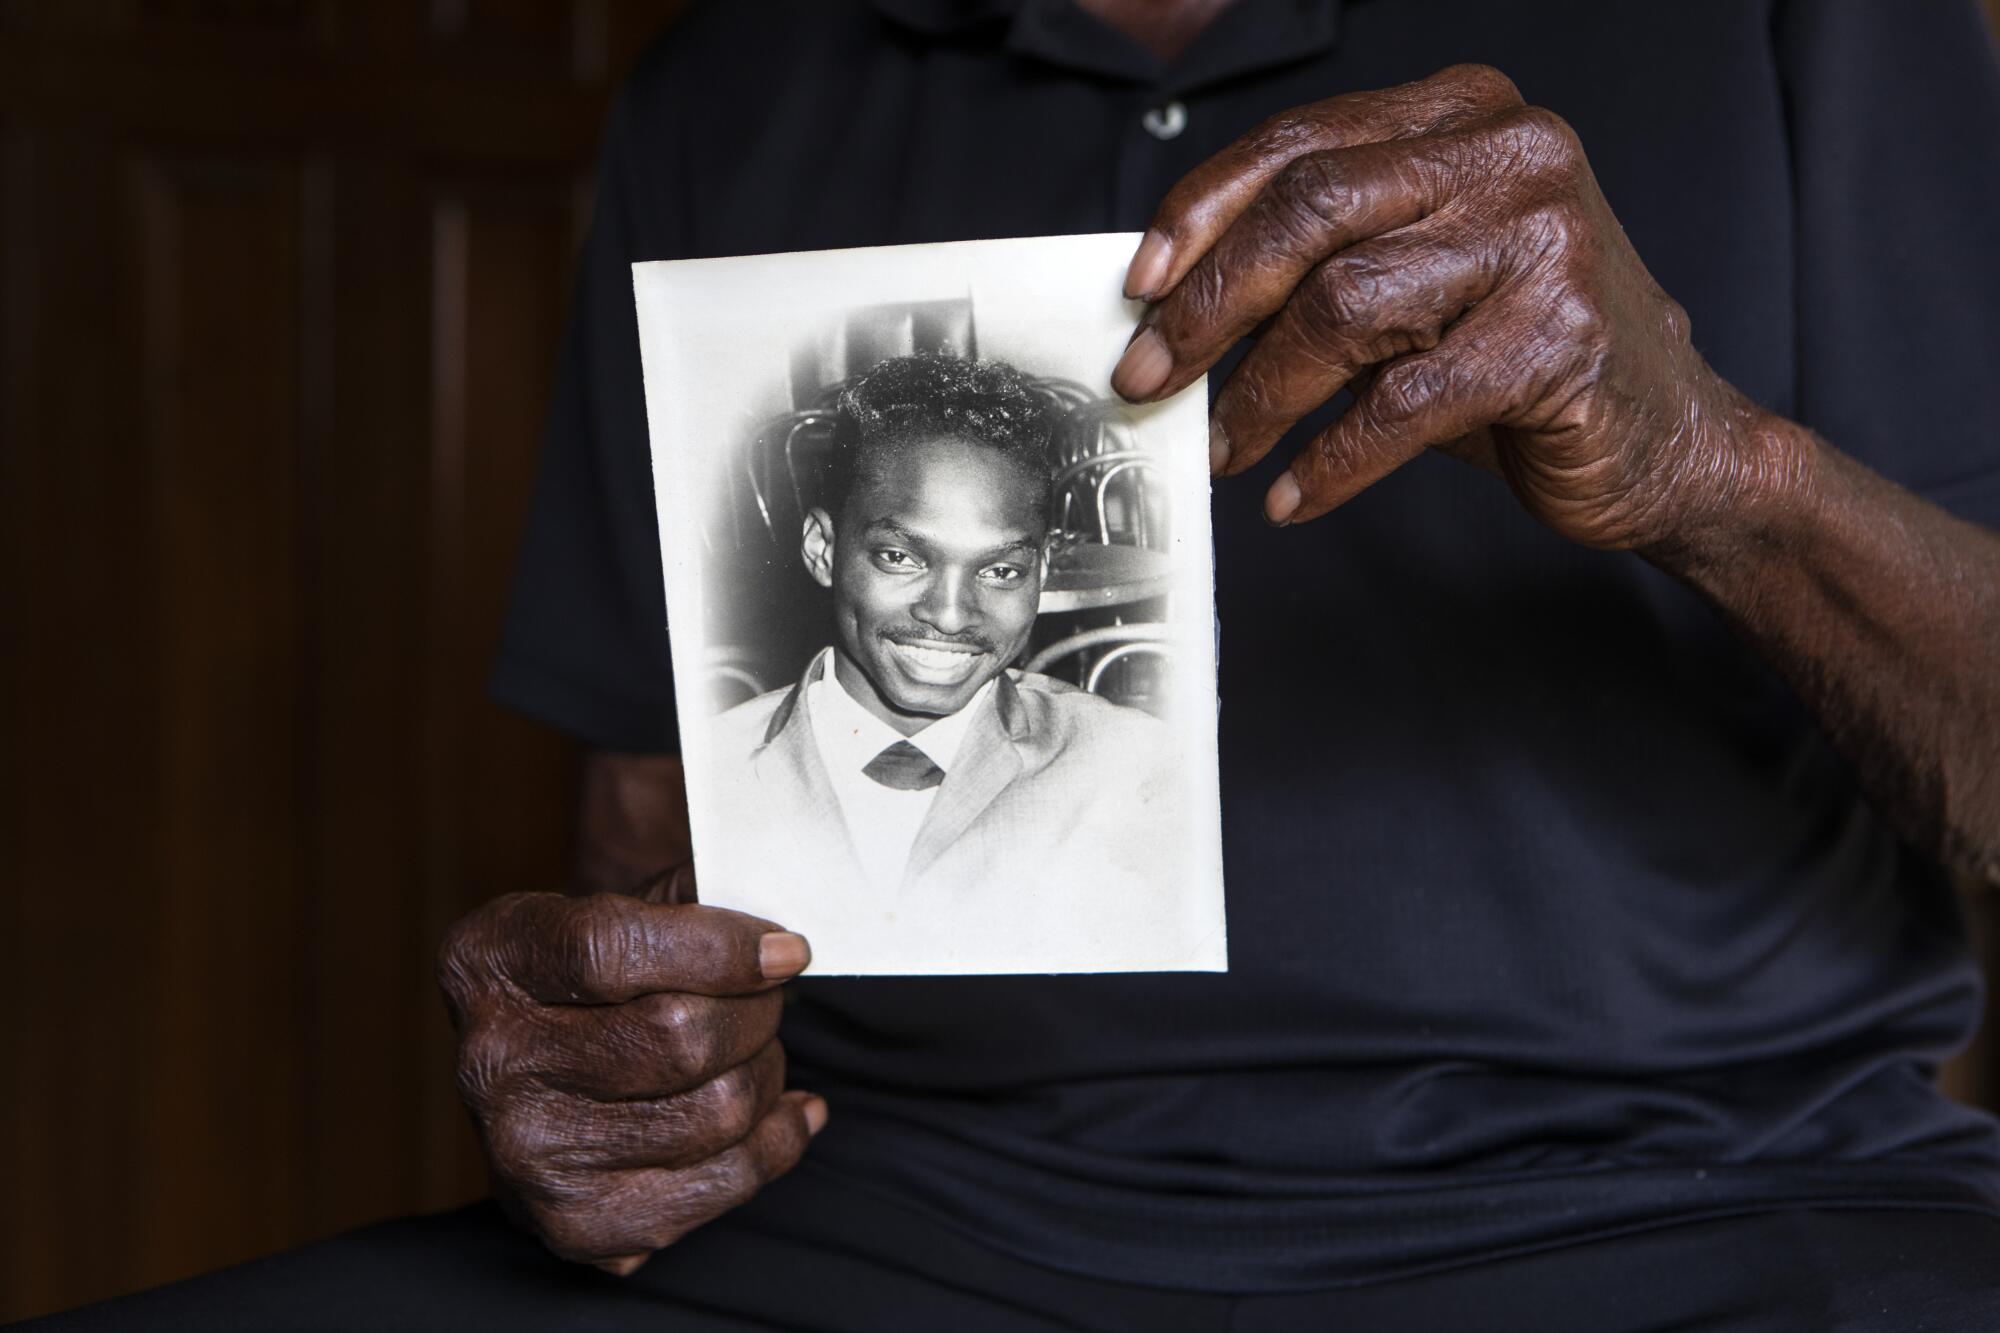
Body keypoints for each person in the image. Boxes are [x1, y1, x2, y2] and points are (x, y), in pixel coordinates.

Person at [29, 1, 2000, 1328]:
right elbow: (658, 844)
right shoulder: (741, 76)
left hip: (1695, 1220)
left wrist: (1708, 467)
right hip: (891, 1228)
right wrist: (621, 1086)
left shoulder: (1799, 24)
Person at [699, 352, 1191, 972]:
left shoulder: (1137, 771)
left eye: (1001, 571)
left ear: (1039, 576)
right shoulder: (709, 777)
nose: (952, 615)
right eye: (901, 558)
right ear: (824, 550)